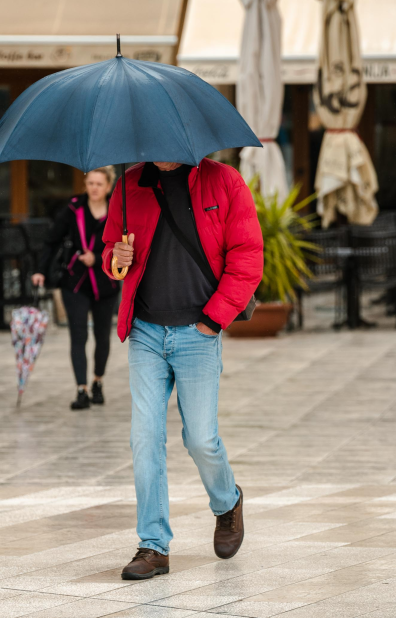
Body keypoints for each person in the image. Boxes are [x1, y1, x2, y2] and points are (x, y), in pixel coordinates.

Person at [102, 159, 262, 580]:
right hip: (146, 332)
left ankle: (227, 503)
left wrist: (213, 320)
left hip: (198, 332)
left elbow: (247, 255)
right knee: (145, 437)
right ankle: (153, 546)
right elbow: (111, 255)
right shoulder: (129, 183)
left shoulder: (223, 181)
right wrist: (116, 259)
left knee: (201, 438)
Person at [31, 166, 119, 411]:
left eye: (99, 184)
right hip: (75, 281)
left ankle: (98, 381)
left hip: (106, 282)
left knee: (102, 336)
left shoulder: (118, 210)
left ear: (108, 186)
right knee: (78, 335)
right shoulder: (73, 208)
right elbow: (52, 240)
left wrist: (100, 255)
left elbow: (126, 241)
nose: (94, 188)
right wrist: (40, 270)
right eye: (90, 183)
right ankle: (81, 389)